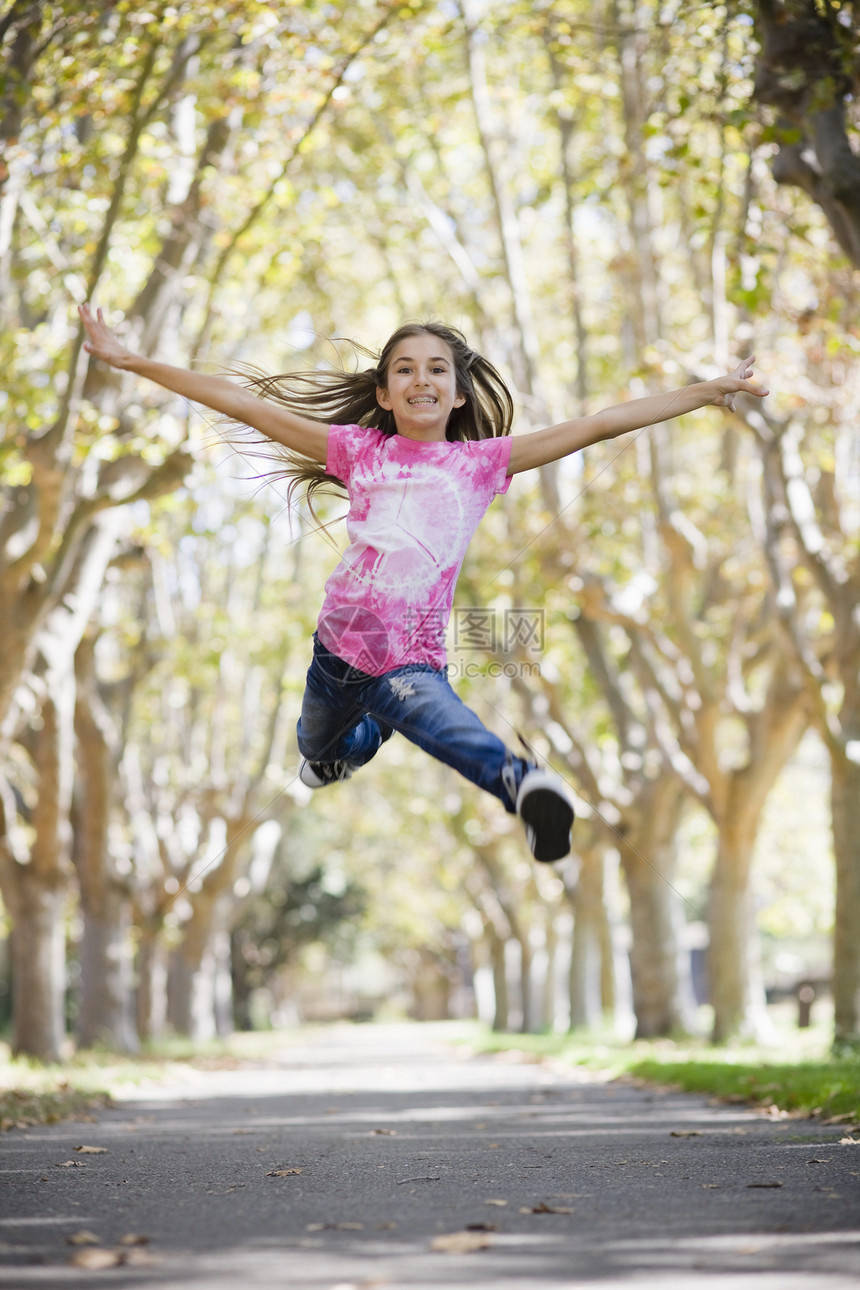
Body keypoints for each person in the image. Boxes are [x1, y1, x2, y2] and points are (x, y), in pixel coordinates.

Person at [78, 304, 768, 862]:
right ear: (383, 393)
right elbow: (248, 407)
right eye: (403, 369)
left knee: (449, 727)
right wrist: (133, 361)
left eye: (437, 368)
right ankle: (343, 753)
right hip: (334, 656)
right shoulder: (358, 449)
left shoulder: (484, 464)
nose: (421, 378)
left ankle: (527, 788)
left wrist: (713, 391)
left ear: (458, 391)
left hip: (409, 660)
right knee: (318, 751)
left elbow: (601, 423)